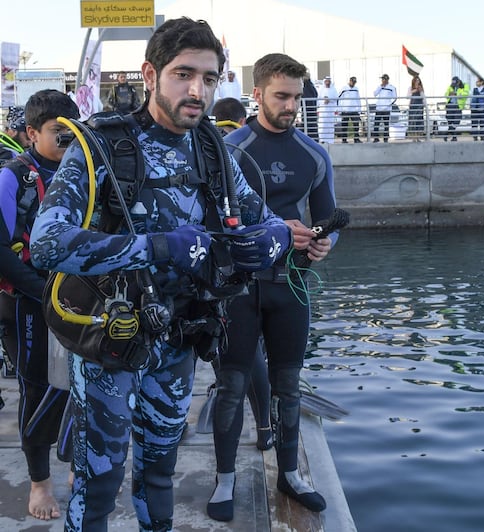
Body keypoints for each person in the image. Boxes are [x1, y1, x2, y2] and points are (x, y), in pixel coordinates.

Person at [29, 17, 291, 531]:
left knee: (160, 475)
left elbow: (269, 220)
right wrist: (156, 247)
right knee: (98, 480)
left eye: (210, 78)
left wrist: (274, 240)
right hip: (110, 341)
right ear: (150, 74)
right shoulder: (100, 148)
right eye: (183, 74)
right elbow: (46, 244)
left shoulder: (214, 150)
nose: (198, 90)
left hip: (178, 340)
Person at [208, 51, 338, 520]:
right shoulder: (230, 150)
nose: (291, 106)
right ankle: (225, 478)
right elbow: (211, 220)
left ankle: (289, 473)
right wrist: (273, 228)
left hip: (292, 285)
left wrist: (325, 242)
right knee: (231, 384)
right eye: (281, 96)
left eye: (297, 98)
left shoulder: (314, 154)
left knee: (288, 385)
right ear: (257, 93)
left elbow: (328, 219)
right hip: (239, 287)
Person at [0, 89, 79, 521]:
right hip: (29, 303)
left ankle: (75, 465)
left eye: (74, 134)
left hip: (80, 301)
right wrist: (42, 291)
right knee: (38, 389)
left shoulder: (85, 171)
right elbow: (1, 251)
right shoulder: (14, 177)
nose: (69, 143)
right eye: (58, 135)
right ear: (31, 133)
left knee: (85, 387)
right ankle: (40, 481)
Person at [337, 76, 362, 143]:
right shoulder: (344, 89)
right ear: (350, 81)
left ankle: (356, 139)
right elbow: (339, 99)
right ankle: (344, 139)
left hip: (354, 110)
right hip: (345, 110)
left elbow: (358, 99)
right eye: (352, 82)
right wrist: (339, 110)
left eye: (354, 82)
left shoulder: (356, 89)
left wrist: (359, 109)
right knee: (345, 126)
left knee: (356, 125)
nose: (353, 83)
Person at [373, 74, 397, 143]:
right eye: (382, 79)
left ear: (386, 80)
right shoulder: (379, 86)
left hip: (387, 109)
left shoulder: (392, 87)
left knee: (386, 124)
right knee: (376, 124)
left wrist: (388, 104)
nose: (382, 80)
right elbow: (375, 94)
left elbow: (394, 97)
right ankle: (376, 138)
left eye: (383, 79)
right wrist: (380, 87)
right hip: (379, 108)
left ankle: (385, 138)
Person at [317, 76, 338, 144]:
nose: (327, 83)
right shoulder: (321, 89)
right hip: (323, 110)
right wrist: (324, 101)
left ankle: (330, 140)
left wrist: (330, 100)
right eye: (326, 81)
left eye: (329, 81)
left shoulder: (333, 89)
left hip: (330, 110)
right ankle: (322, 139)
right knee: (322, 125)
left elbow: (336, 99)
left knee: (330, 125)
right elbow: (318, 100)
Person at [407, 76, 426, 141]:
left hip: (419, 106)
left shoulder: (421, 88)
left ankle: (418, 137)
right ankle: (413, 137)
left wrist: (420, 91)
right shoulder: (410, 88)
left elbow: (423, 97)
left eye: (418, 80)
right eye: (416, 80)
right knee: (413, 121)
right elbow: (407, 96)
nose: (417, 82)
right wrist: (415, 90)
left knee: (419, 121)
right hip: (413, 106)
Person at [301, 71, 319, 141]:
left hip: (309, 111)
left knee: (309, 126)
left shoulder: (307, 86)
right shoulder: (310, 86)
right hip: (310, 110)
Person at [470, 76, 484, 141]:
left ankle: (482, 136)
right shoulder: (474, 89)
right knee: (474, 123)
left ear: (482, 82)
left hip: (482, 109)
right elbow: (471, 98)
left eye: (478, 81)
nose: (476, 83)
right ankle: (475, 137)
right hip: (474, 109)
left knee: (482, 123)